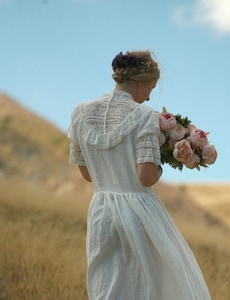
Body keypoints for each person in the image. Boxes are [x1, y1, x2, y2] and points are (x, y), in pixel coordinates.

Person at [67, 50, 211, 300]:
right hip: (139, 211)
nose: (149, 96)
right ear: (141, 82)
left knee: (108, 283)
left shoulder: (80, 113)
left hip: (101, 209)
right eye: (151, 87)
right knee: (149, 284)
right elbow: (145, 176)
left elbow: (87, 173)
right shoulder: (144, 116)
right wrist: (160, 164)